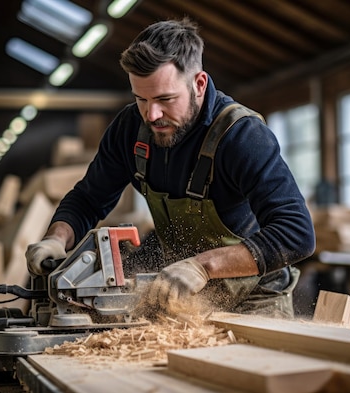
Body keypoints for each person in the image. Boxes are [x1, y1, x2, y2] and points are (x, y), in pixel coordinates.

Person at [26, 17, 315, 318]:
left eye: (166, 99)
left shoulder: (242, 136)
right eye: (141, 99)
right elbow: (88, 198)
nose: (152, 114)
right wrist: (56, 239)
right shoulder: (129, 129)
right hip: (181, 294)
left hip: (256, 298)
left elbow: (296, 234)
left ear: (199, 84)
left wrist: (203, 266)